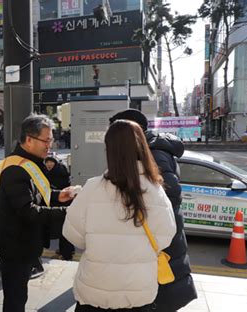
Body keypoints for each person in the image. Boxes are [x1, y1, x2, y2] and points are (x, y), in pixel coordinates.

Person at [63, 120, 176, 311]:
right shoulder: (156, 190)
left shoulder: (92, 188)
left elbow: (72, 234)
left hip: (95, 291)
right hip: (138, 293)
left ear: (109, 150)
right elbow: (166, 237)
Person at [109, 109, 198, 311]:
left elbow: (171, 193)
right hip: (158, 238)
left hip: (161, 241)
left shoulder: (154, 152)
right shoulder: (150, 148)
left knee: (160, 295)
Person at [0, 114, 74, 312]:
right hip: (15, 246)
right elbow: (28, 211)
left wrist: (58, 196)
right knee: (15, 299)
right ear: (29, 139)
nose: (50, 145)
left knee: (19, 295)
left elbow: (37, 194)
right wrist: (67, 212)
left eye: (51, 140)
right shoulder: (15, 169)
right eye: (46, 140)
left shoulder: (28, 161)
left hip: (24, 244)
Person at [44, 155, 75, 260]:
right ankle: (66, 250)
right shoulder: (53, 171)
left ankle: (67, 254)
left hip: (62, 205)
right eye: (47, 162)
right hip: (60, 206)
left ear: (55, 163)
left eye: (51, 162)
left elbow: (60, 187)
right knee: (64, 230)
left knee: (63, 231)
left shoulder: (59, 172)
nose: (49, 164)